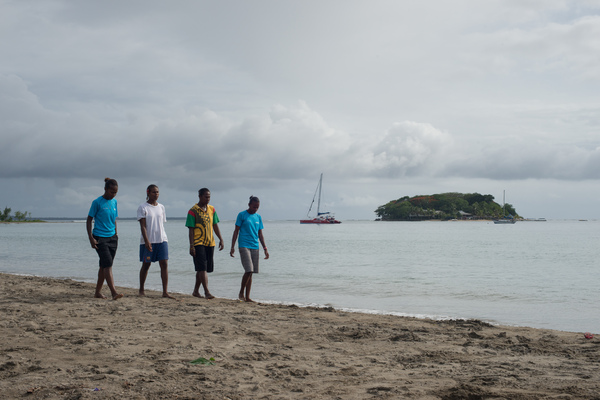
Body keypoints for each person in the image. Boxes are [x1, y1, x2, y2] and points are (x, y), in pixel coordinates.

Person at [86, 177, 124, 300]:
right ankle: (114, 293)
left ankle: (97, 292)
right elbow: (89, 220)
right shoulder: (97, 202)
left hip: (112, 238)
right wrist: (91, 238)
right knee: (108, 265)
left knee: (104, 266)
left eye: (115, 192)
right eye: (111, 192)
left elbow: (114, 220)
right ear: (105, 189)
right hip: (99, 238)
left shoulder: (115, 202)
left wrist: (116, 234)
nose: (113, 194)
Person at [185, 188, 224, 299]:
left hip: (209, 242)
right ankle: (207, 292)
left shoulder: (212, 209)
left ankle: (196, 291)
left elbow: (215, 225)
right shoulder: (193, 211)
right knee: (202, 268)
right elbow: (191, 230)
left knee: (203, 268)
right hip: (198, 242)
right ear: (200, 196)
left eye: (209, 197)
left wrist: (220, 239)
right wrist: (191, 246)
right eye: (206, 196)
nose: (208, 199)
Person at [137, 184, 175, 299]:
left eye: (157, 192)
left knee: (164, 264)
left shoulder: (161, 207)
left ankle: (165, 291)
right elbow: (143, 226)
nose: (156, 194)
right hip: (148, 241)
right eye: (154, 192)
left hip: (162, 239)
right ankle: (141, 289)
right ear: (148, 193)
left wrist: (162, 238)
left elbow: (161, 224)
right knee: (146, 264)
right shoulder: (143, 207)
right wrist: (147, 240)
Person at [230, 195, 269, 303]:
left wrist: (265, 248)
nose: (255, 209)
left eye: (257, 207)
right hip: (244, 245)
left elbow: (260, 234)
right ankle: (241, 292)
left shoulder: (258, 217)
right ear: (249, 205)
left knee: (251, 273)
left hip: (255, 246)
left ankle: (247, 297)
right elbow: (236, 231)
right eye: (254, 207)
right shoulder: (242, 215)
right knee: (249, 269)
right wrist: (232, 246)